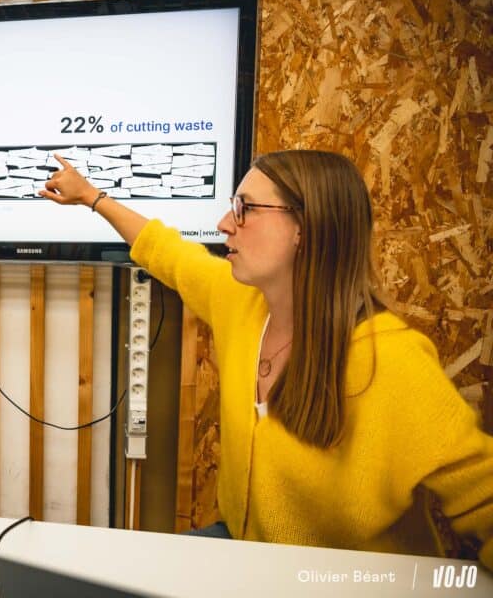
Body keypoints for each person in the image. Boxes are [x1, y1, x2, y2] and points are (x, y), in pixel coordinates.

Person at [40, 150, 492, 569]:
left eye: (245, 208)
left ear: (305, 228)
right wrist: (92, 197)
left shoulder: (392, 359)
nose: (224, 224)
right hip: (247, 550)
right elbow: (168, 252)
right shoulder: (240, 302)